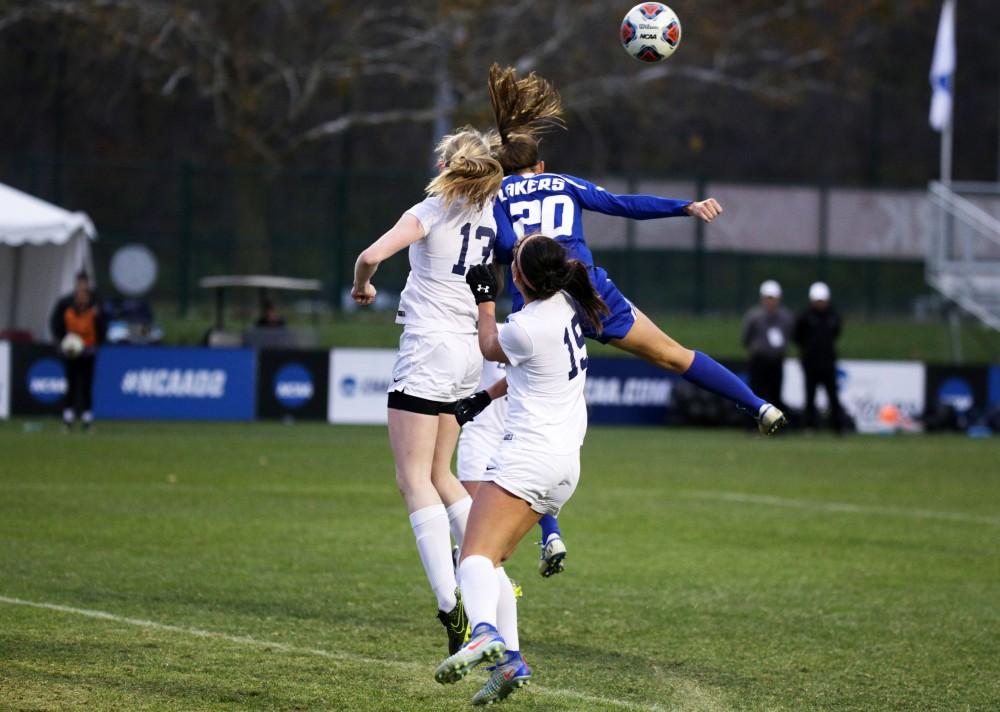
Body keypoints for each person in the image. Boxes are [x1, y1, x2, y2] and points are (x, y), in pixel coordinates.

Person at [459, 64, 786, 561]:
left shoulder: (498, 195)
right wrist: (685, 207)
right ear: (541, 166)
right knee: (674, 356)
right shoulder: (564, 183)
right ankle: (757, 404)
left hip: (542, 311)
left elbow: (503, 247)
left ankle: (548, 531)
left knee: (527, 421)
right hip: (589, 293)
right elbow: (624, 204)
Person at [351, 127, 507, 655]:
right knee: (441, 474)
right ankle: (487, 571)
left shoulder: (432, 209)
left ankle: (450, 603)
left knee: (412, 479)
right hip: (468, 351)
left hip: (428, 348)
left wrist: (361, 285)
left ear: (446, 164)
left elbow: (371, 254)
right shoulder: (488, 213)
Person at [434, 233, 608, 705]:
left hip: (528, 456)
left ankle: (484, 632)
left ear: (520, 276)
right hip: (564, 466)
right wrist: (484, 397)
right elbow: (529, 370)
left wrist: (483, 299)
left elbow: (491, 346)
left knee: (470, 556)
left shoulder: (526, 325)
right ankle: (511, 660)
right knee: (490, 564)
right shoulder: (569, 306)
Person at [456, 337, 567, 578]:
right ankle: (551, 532)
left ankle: (475, 593)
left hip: (480, 438)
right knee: (497, 544)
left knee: (477, 540)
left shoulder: (478, 339)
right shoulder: (524, 335)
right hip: (517, 437)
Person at [49, 271, 102, 431]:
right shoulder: (65, 304)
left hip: (88, 351)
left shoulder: (96, 305)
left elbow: (102, 327)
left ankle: (87, 419)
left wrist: (97, 344)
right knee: (71, 384)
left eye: (85, 284)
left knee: (86, 385)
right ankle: (68, 418)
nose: (82, 289)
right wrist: (61, 342)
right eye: (80, 284)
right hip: (71, 351)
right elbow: (56, 324)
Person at [793, 281, 844, 434]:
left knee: (833, 396)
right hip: (810, 363)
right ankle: (809, 426)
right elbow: (798, 337)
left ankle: (838, 427)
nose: (820, 303)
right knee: (810, 396)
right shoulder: (805, 316)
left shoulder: (833, 316)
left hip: (828, 363)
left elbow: (836, 333)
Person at [741, 280, 794, 413]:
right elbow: (746, 337)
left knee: (775, 393)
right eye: (768, 298)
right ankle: (753, 425)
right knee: (755, 392)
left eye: (773, 298)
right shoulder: (754, 316)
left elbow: (789, 335)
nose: (770, 302)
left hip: (776, 360)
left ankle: (776, 424)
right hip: (758, 359)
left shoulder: (785, 317)